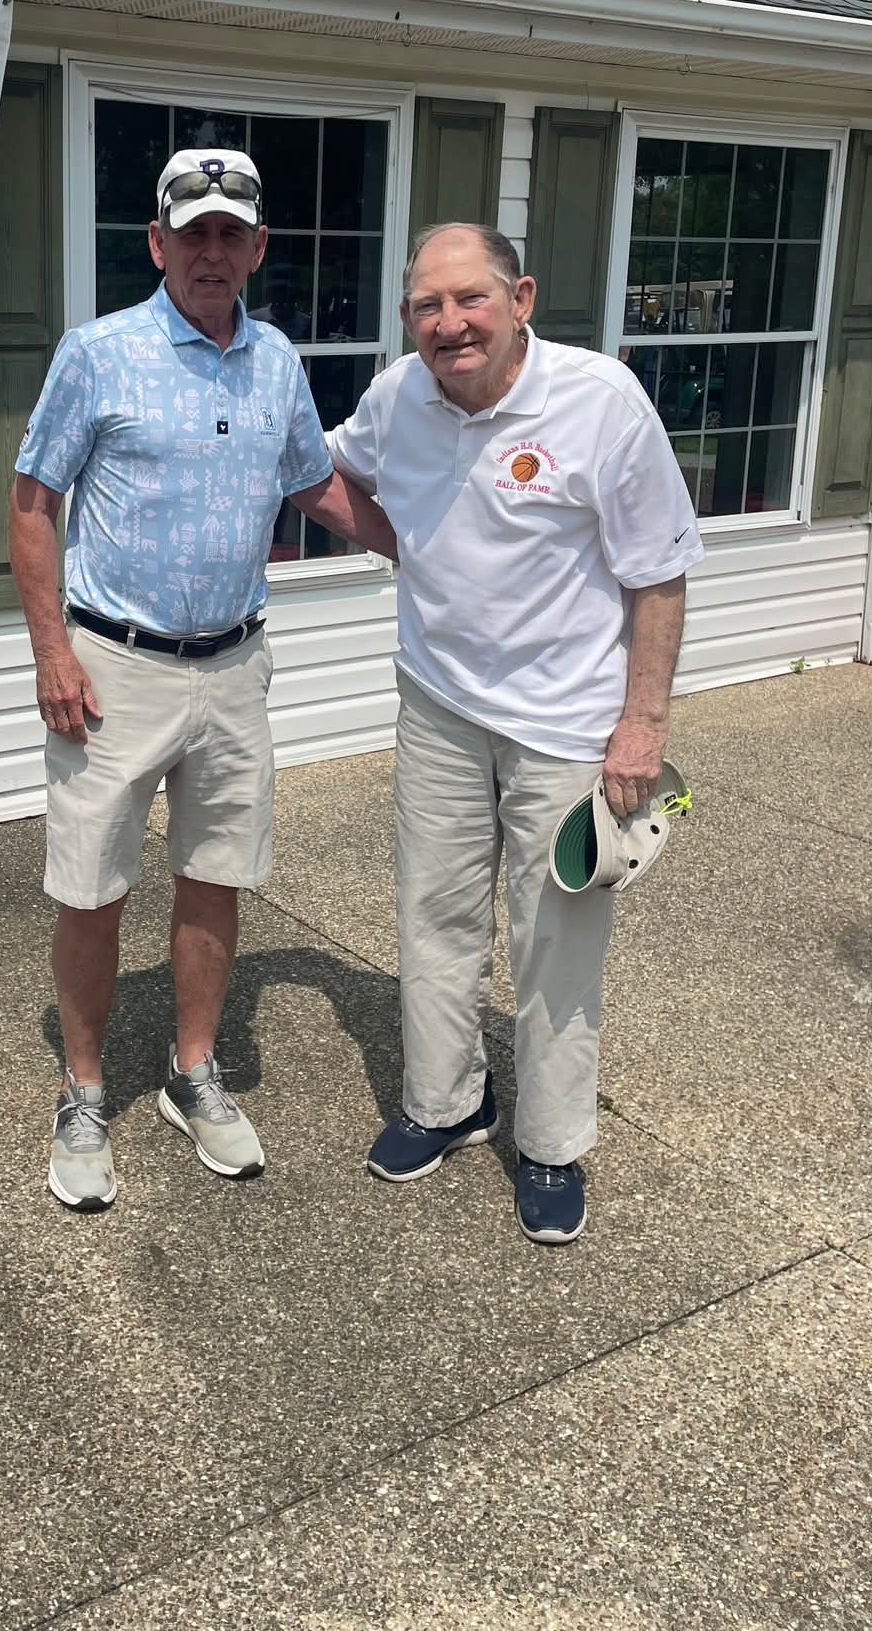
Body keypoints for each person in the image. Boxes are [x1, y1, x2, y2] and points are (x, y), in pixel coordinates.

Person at [10, 147, 394, 1212]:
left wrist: (426, 549)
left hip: (233, 666)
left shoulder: (275, 358)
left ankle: (191, 1070)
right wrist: (51, 651)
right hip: (112, 666)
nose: (213, 251)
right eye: (195, 232)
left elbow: (315, 484)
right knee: (93, 885)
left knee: (216, 873)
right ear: (158, 245)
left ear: (259, 245)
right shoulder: (98, 353)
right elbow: (33, 503)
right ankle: (84, 1088)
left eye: (233, 232)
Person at [327, 222, 703, 1245]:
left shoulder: (599, 401)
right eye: (426, 306)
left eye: (469, 299)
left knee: (555, 944)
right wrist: (412, 546)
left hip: (571, 725)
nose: (448, 323)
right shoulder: (398, 395)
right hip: (440, 703)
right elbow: (334, 475)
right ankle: (446, 1102)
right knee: (435, 918)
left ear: (521, 298)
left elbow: (659, 569)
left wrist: (642, 725)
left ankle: (550, 1141)